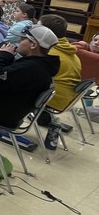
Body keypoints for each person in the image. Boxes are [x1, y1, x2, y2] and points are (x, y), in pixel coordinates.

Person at [0, 24, 59, 129]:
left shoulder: (30, 68)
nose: (18, 43)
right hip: (7, 108)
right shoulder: (41, 64)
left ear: (33, 45)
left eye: (22, 39)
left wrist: (3, 57)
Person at [36, 14, 82, 147]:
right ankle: (45, 118)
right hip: (66, 99)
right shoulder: (70, 51)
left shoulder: (49, 53)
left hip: (51, 99)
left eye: (37, 26)